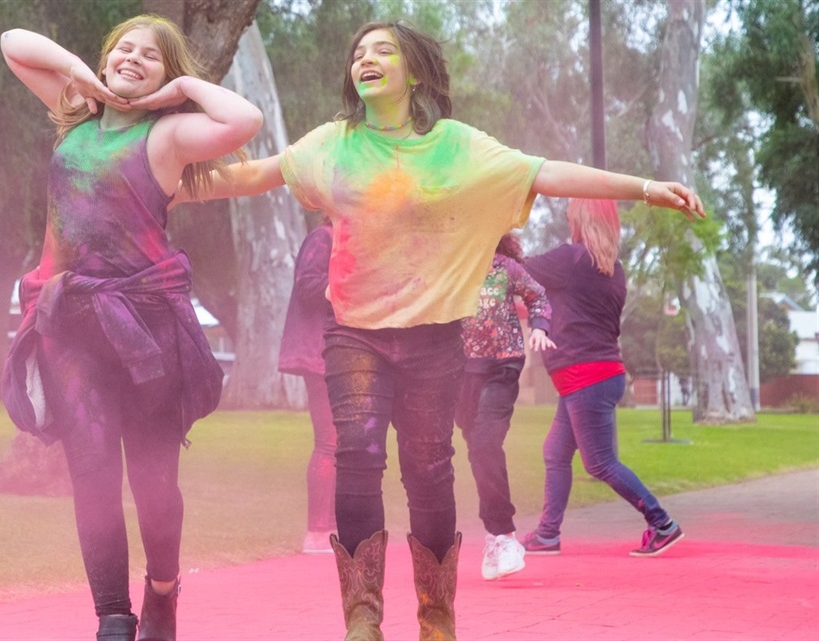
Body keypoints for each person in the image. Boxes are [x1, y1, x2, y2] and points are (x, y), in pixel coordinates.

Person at [185, 20, 704, 640]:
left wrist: (647, 189)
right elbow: (251, 175)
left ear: (415, 74)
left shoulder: (457, 147)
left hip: (434, 337)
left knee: (429, 469)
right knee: (358, 452)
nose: (366, 59)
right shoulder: (332, 145)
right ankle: (362, 618)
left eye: (384, 51)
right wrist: (154, 179)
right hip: (355, 332)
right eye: (358, 52)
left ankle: (436, 619)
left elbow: (546, 172)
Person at [0, 16, 262, 641]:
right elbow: (14, 43)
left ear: (168, 74)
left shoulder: (169, 135)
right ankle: (113, 617)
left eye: (151, 56)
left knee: (154, 482)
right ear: (107, 55)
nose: (133, 58)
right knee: (91, 473)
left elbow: (243, 119)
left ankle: (163, 591)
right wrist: (89, 81)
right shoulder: (76, 118)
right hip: (70, 324)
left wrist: (177, 93)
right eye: (124, 48)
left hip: (144, 330)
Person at [522, 199, 685, 559]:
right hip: (596, 374)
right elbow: (562, 303)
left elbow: (520, 269)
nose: (567, 220)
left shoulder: (572, 260)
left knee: (599, 462)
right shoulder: (613, 269)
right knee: (556, 452)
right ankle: (548, 535)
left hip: (586, 376)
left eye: (570, 214)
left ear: (581, 219)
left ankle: (662, 523)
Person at [456, 232, 555, 581]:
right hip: (461, 372)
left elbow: (538, 297)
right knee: (476, 447)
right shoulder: (450, 265)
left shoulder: (505, 268)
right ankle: (494, 534)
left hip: (502, 365)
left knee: (485, 442)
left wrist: (540, 326)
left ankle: (505, 536)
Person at [278, 219, 337, 554]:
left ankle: (332, 527)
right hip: (320, 354)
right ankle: (316, 531)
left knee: (344, 447)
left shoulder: (344, 238)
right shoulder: (322, 238)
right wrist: (348, 281)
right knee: (329, 443)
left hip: (338, 353)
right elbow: (307, 286)